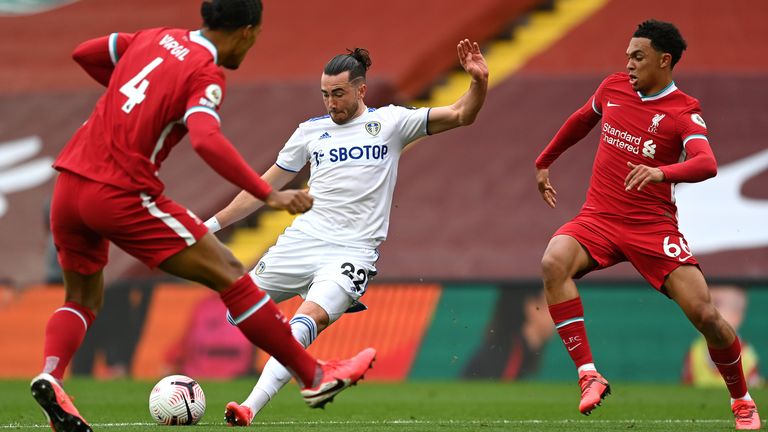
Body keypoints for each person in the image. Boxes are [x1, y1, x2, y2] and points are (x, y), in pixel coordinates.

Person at [30, 1, 375, 431]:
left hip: (68, 185)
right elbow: (207, 141)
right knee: (231, 272)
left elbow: (85, 52)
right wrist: (268, 195)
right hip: (119, 192)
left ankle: (51, 375)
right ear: (246, 32)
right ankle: (315, 376)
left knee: (80, 300)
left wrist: (130, 101)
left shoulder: (155, 37)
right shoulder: (204, 72)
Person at [205, 40, 488, 426]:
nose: (331, 103)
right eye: (325, 95)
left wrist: (479, 83)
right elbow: (262, 189)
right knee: (237, 313)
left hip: (352, 251)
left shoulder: (390, 123)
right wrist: (211, 225)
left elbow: (460, 114)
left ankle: (249, 407)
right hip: (302, 240)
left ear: (360, 90)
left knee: (309, 319)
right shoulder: (309, 132)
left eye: (338, 94)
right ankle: (313, 369)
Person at [534, 19, 760, 430]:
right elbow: (582, 120)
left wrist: (662, 173)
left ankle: (742, 399)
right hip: (599, 218)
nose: (629, 65)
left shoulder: (683, 111)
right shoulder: (613, 88)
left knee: (706, 315)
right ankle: (588, 373)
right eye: (627, 57)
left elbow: (706, 163)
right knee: (553, 262)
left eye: (638, 57)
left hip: (652, 229)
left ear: (664, 60)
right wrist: (545, 160)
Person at [683, 285, 762, 388]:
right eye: (703, 304)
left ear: (736, 315)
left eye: (716, 303)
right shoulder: (695, 351)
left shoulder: (747, 356)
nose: (708, 311)